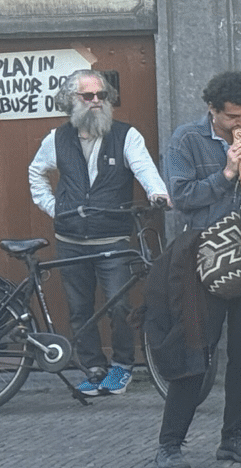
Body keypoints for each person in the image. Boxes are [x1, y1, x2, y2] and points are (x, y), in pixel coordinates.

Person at [153, 71, 241, 468]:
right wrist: (227, 173)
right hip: (201, 254)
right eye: (233, 117)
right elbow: (181, 197)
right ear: (212, 110)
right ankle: (170, 445)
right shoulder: (186, 139)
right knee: (194, 347)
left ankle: (234, 436)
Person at [25, 68, 169, 395]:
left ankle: (121, 367)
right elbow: (36, 172)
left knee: (119, 306)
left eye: (102, 95)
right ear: (71, 100)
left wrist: (157, 193)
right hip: (70, 240)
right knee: (80, 310)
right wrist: (55, 207)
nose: (96, 101)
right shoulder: (57, 138)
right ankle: (93, 367)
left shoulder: (126, 136)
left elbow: (145, 170)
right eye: (88, 95)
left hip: (112, 240)